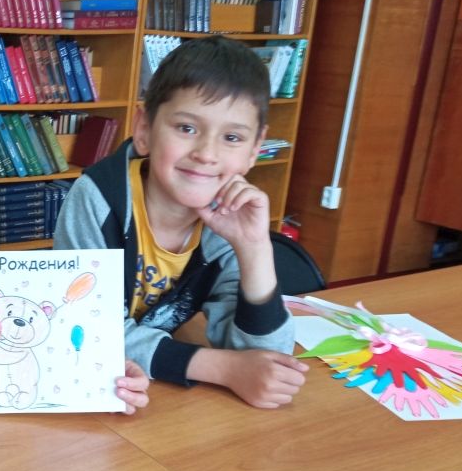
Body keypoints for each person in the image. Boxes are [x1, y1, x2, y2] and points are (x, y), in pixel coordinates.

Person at [54, 35, 308, 408]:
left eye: (232, 137)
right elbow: (86, 328)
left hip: (156, 389)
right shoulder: (97, 199)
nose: (206, 153)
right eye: (187, 128)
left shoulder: (229, 222)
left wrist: (255, 248)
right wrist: (223, 369)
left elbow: (266, 360)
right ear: (144, 130)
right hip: (90, 385)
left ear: (255, 150)